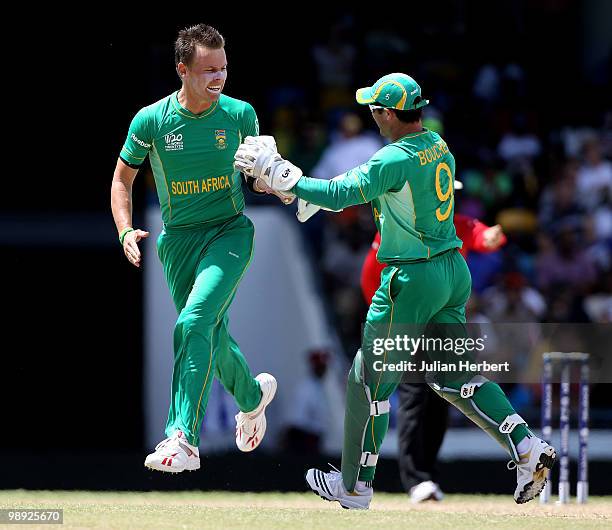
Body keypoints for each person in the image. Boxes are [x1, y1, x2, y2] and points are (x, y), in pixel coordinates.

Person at [235, 73, 556, 509]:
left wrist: (278, 175)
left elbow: (340, 192)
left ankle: (354, 486)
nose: (373, 118)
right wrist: (301, 190)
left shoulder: (393, 158)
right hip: (451, 271)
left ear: (389, 113)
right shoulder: (437, 146)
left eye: (375, 110)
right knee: (453, 378)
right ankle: (525, 445)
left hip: (412, 278)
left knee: (367, 379)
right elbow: (374, 193)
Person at [110, 23, 278, 474]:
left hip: (229, 232)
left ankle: (181, 437)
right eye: (207, 70)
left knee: (194, 321)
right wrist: (125, 230)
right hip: (178, 241)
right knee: (208, 332)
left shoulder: (240, 114)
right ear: (182, 69)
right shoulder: (151, 120)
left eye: (223, 67)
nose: (218, 77)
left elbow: (258, 181)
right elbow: (122, 179)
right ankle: (252, 396)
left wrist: (275, 180)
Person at [361, 216, 507, 503]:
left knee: (443, 399)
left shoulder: (459, 223)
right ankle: (416, 480)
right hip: (411, 321)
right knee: (415, 395)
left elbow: (484, 237)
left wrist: (493, 237)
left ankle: (427, 475)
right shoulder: (399, 225)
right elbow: (369, 274)